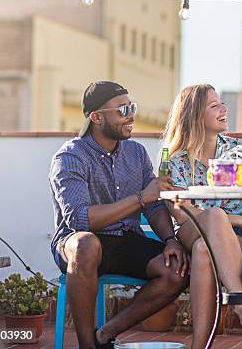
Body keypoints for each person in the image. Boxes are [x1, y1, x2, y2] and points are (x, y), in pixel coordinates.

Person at [49, 81, 189, 349]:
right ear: (96, 117)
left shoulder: (136, 153)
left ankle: (104, 334)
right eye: (123, 109)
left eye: (132, 107)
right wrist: (140, 197)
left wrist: (171, 240)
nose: (131, 115)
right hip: (78, 245)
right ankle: (86, 345)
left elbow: (155, 206)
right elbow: (80, 220)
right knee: (86, 244)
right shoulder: (70, 156)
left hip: (125, 239)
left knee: (177, 271)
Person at [161, 84, 242, 347]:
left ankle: (200, 345)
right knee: (212, 219)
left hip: (236, 242)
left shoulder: (238, 150)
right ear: (194, 115)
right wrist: (235, 218)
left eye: (222, 103)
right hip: (193, 229)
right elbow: (181, 211)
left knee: (204, 250)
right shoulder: (175, 160)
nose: (224, 109)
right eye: (215, 106)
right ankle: (241, 304)